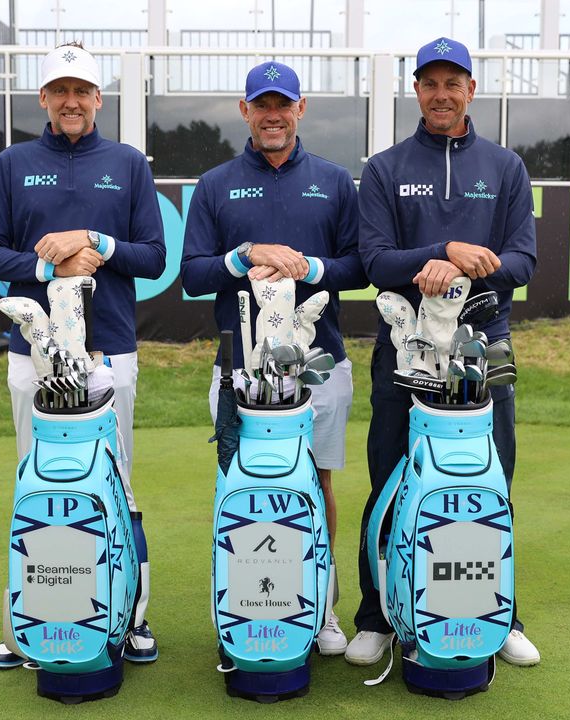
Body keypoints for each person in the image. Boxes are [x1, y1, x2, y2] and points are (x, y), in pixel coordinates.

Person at [346, 36, 541, 668]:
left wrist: (462, 267)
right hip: (404, 348)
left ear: (470, 91)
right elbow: (375, 261)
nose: (441, 94)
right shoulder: (385, 168)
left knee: (490, 481)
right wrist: (440, 255)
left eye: (452, 83)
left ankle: (499, 614)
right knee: (389, 478)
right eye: (430, 83)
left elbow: (523, 260)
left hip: (485, 348)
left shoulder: (505, 167)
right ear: (417, 90)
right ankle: (377, 615)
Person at [0, 42, 166, 667]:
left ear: (98, 99)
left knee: (120, 485)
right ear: (44, 99)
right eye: (60, 90)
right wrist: (47, 262)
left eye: (82, 91)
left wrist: (96, 242)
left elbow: (153, 257)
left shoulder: (129, 163)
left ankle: (131, 618)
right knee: (37, 485)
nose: (71, 101)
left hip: (109, 347)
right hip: (32, 352)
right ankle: (25, 624)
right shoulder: (12, 163)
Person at [181, 61, 366, 656]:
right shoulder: (215, 184)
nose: (272, 115)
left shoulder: (336, 182)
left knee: (319, 481)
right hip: (237, 369)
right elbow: (190, 275)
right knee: (238, 483)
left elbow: (358, 268)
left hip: (321, 361)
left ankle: (323, 608)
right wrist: (244, 257)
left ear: (300, 108)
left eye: (282, 104)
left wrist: (309, 269)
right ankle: (243, 605)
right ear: (245, 111)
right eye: (261, 105)